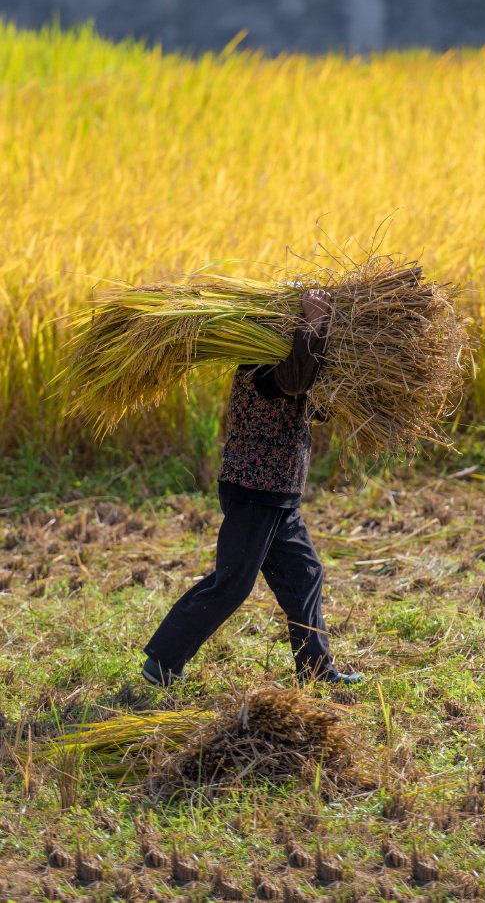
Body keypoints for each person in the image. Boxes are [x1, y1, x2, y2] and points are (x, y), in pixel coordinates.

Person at [141, 289, 363, 688]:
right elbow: (294, 382)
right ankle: (163, 659)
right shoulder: (259, 368)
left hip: (280, 495)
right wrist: (312, 321)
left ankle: (316, 669)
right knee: (233, 582)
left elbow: (317, 404)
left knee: (305, 573)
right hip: (254, 491)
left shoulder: (291, 364)